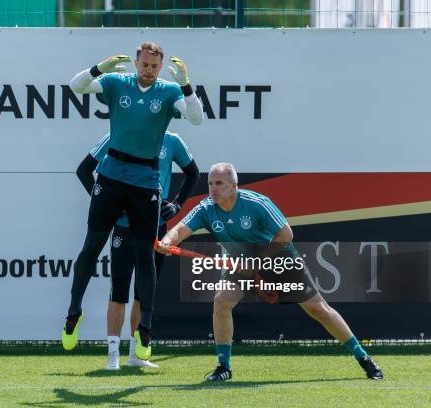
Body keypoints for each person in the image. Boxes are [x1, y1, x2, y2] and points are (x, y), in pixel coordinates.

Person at [158, 163, 384, 381]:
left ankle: (363, 358)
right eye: (210, 183)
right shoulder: (206, 208)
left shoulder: (257, 203)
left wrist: (256, 263)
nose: (213, 189)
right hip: (240, 264)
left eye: (219, 183)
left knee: (319, 309)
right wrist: (167, 241)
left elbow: (286, 234)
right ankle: (223, 366)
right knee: (222, 303)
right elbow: (179, 230)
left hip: (278, 258)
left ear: (234, 186)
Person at [64, 41, 204, 360]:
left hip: (145, 183)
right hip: (112, 178)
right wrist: (99, 67)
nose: (148, 71)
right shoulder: (117, 82)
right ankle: (73, 313)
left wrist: (185, 83)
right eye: (144, 65)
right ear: (136, 62)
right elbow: (76, 86)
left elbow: (196, 118)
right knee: (91, 246)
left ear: (160, 66)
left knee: (145, 256)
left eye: (154, 66)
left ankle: (145, 328)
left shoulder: (168, 92)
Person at [77, 129, 199, 370]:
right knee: (119, 291)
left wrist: (176, 205)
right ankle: (113, 355)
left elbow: (193, 172)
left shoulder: (172, 141)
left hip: (155, 227)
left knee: (143, 293)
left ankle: (135, 355)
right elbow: (83, 170)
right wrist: (106, 205)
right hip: (123, 226)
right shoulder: (118, 134)